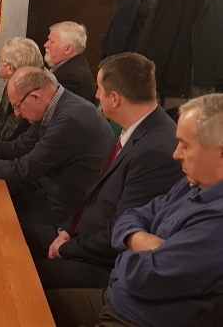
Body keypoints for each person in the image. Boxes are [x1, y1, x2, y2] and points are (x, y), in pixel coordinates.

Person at [46, 93, 223, 327]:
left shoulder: (217, 224)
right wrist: (135, 238)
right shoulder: (191, 183)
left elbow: (142, 277)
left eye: (185, 145)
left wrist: (125, 249)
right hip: (116, 298)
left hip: (136, 319)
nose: (176, 154)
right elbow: (132, 214)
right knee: (29, 299)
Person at [22, 53, 182, 290]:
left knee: (20, 271)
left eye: (99, 89)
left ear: (115, 98)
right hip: (80, 235)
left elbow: (121, 231)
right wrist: (66, 230)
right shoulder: (136, 125)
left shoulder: (154, 151)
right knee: (12, 232)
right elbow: (95, 195)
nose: (96, 95)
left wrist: (67, 248)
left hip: (102, 264)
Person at [0, 67, 114, 224]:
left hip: (66, 209)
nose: (17, 114)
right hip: (46, 188)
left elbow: (24, 169)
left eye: (17, 106)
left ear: (35, 97)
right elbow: (17, 147)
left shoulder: (69, 119)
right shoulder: (52, 105)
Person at [45, 21, 96, 102]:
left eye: (52, 41)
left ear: (68, 49)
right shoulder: (79, 63)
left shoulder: (69, 78)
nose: (46, 45)